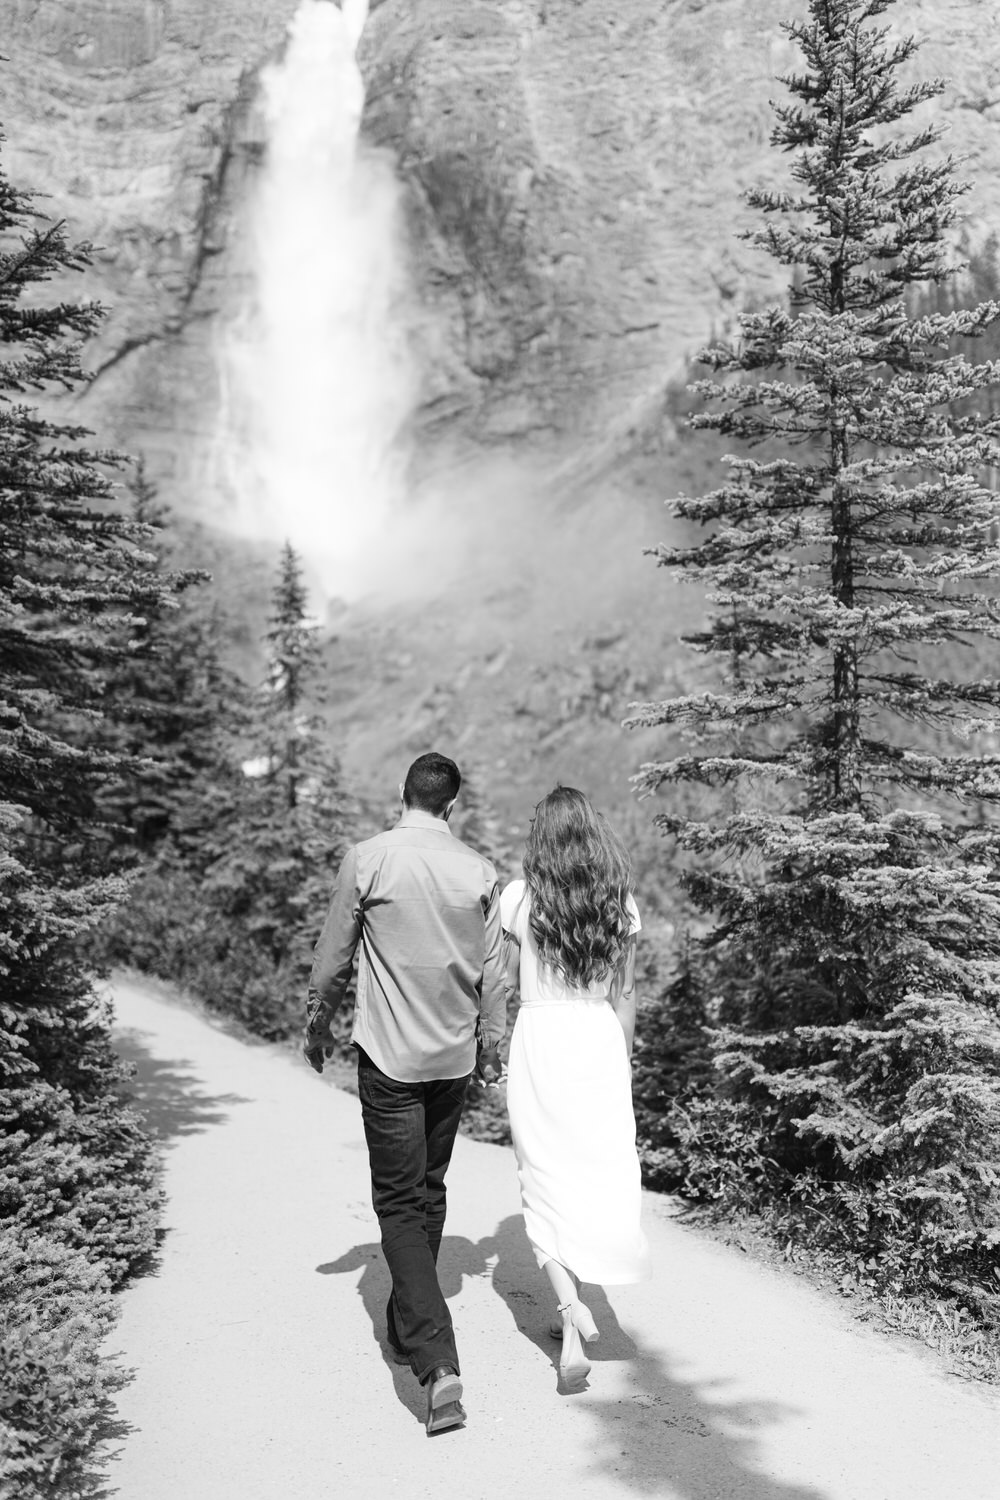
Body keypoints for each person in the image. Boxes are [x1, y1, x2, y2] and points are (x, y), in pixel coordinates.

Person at [304, 752, 505, 1435]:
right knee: (429, 1190)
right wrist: (494, 1042)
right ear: (452, 805)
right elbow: (495, 973)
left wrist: (315, 1026)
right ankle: (404, 1323)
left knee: (397, 1201)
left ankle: (436, 1362)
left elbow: (333, 958)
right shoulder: (479, 872)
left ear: (405, 795)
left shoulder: (368, 859)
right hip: (452, 1058)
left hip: (389, 1059)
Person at [500, 785, 649, 1387]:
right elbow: (627, 994)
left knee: (542, 1177)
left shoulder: (519, 899)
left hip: (541, 1040)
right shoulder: (619, 901)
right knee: (589, 1173)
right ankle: (575, 1310)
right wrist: (626, 1063)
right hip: (599, 1039)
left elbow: (507, 981)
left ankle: (569, 1310)